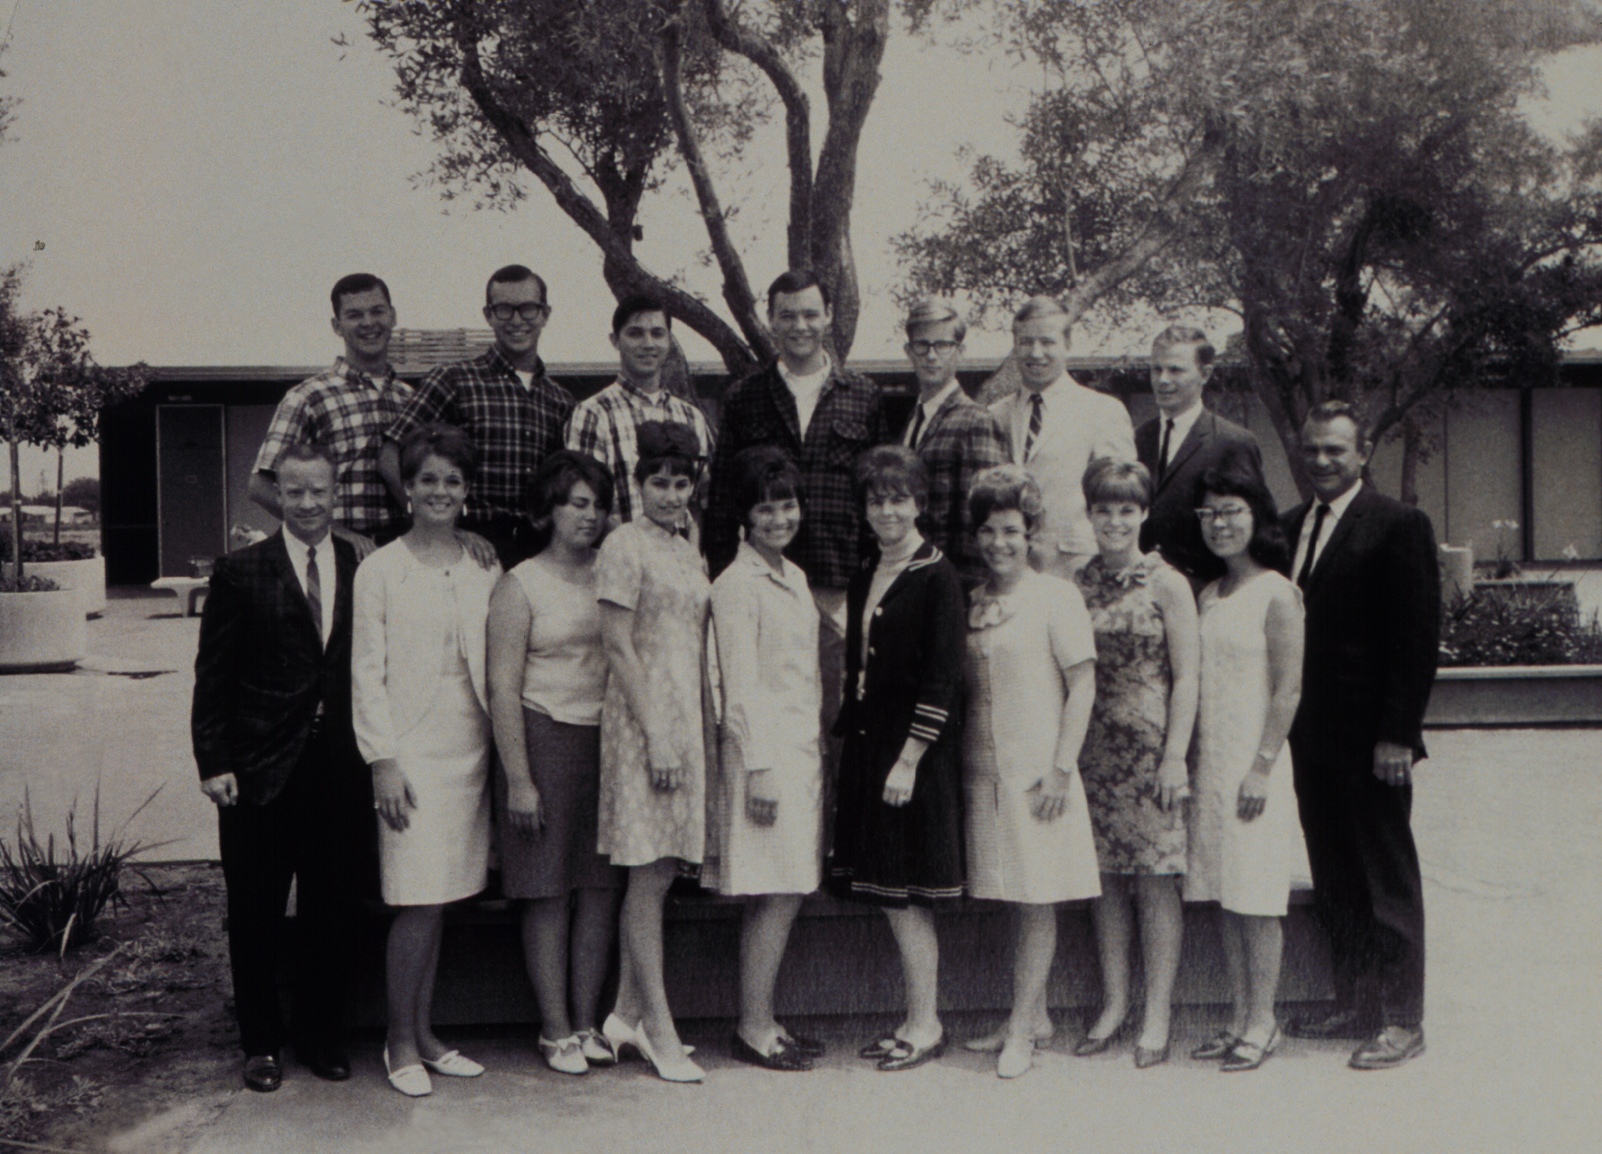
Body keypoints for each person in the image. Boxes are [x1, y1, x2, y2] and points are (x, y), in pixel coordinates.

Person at [191, 441, 372, 1093]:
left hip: (340, 768)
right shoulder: (240, 571)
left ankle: (320, 1037)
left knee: (334, 909)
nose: (307, 503)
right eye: (294, 491)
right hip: (259, 769)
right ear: (278, 494)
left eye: (319, 490)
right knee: (256, 912)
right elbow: (213, 676)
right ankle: (261, 1043)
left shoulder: (361, 566)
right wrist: (214, 761)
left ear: (335, 491)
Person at [1282, 401, 1439, 1070]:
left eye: (1335, 451)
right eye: (1312, 449)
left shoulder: (1398, 525)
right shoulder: (1290, 525)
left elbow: (1416, 638)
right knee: (1336, 876)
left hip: (1374, 744)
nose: (1322, 460)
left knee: (1385, 879)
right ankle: (1356, 1002)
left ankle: (1402, 1018)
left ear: (1363, 453)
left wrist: (1397, 735)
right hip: (1311, 739)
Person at [352, 425, 500, 1097]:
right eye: (429, 480)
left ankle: (426, 1034)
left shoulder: (483, 564)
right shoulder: (379, 569)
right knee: (416, 898)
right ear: (407, 487)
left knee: (440, 899)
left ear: (467, 491)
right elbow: (366, 673)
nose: (441, 491)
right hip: (409, 754)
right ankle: (399, 1041)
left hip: (469, 749)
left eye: (453, 481)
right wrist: (382, 759)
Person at [486, 450, 626, 1076]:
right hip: (542, 740)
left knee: (598, 889)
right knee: (545, 890)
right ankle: (554, 1029)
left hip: (607, 743)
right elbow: (501, 688)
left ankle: (587, 1020)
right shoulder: (520, 584)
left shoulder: (614, 573)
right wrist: (519, 779)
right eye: (576, 503)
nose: (588, 516)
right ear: (549, 510)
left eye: (597, 505)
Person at [703, 270, 891, 736]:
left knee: (841, 713)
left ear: (828, 316)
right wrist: (725, 578)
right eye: (787, 316)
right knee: (773, 708)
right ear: (770, 320)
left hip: (837, 580)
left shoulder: (863, 396)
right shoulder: (744, 397)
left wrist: (873, 581)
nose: (800, 326)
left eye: (810, 314)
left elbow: (880, 496)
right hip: (765, 583)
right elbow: (723, 497)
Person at [959, 464, 1101, 1079]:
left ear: (1031, 533)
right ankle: (1032, 1013)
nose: (1000, 543)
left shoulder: (1056, 596)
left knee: (1038, 899)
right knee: (1011, 896)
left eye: (1012, 530)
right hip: (983, 775)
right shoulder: (973, 601)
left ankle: (1022, 1028)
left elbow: (1083, 685)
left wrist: (1061, 770)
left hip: (1039, 774)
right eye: (989, 531)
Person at [829, 445, 966, 1072]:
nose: (887, 511)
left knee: (907, 895)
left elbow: (942, 678)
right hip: (870, 748)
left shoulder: (938, 576)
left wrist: (909, 759)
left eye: (898, 499)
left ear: (920, 504)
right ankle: (914, 1018)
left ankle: (926, 1023)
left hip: (912, 757)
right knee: (889, 892)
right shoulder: (867, 572)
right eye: (876, 500)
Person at [594, 421, 715, 1084]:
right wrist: (658, 735)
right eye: (659, 483)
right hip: (644, 726)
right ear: (638, 484)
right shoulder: (623, 543)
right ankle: (660, 1030)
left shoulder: (687, 547)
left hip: (685, 722)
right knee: (648, 873)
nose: (671, 494)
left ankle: (623, 1014)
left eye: (681, 482)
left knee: (662, 870)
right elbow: (617, 646)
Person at [1072, 459, 1200, 1068]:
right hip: (1093, 753)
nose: (1115, 521)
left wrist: (1175, 755)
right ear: (1089, 514)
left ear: (1144, 513)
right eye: (1104, 510)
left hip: (1152, 755)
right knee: (1104, 882)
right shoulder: (1079, 582)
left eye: (1127, 509)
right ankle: (1116, 1003)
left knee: (1153, 881)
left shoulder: (1168, 583)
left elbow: (1188, 675)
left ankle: (1157, 1014)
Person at [706, 446, 827, 1072]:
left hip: (799, 755)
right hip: (765, 759)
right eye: (765, 509)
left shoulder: (794, 576)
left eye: (787, 505)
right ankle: (753, 1026)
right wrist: (758, 767)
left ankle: (764, 1018)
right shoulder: (736, 585)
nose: (780, 518)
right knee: (775, 891)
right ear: (744, 517)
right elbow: (738, 684)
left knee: (783, 889)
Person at [1183, 465, 1303, 1073]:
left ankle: (1264, 1022)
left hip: (1256, 768)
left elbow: (1287, 690)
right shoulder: (1209, 594)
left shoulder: (1278, 593)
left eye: (1231, 511)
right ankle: (1237, 1018)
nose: (1219, 524)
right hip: (1213, 765)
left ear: (1257, 517)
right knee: (1226, 896)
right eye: (1208, 513)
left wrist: (1261, 767)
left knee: (1256, 898)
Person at [381, 264, 575, 568]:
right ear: (488, 315)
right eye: (504, 310)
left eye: (528, 309)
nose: (516, 320)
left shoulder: (561, 400)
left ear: (545, 314)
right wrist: (444, 527)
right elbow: (390, 456)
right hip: (470, 546)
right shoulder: (454, 380)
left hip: (539, 549)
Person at [249, 273, 413, 554]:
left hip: (403, 549)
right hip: (338, 551)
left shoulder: (409, 398)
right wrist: (335, 532)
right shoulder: (308, 396)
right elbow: (260, 485)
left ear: (393, 316)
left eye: (377, 311)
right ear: (337, 326)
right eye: (354, 315)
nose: (368, 322)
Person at [990, 295, 1135, 578]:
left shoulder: (1102, 410)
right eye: (1026, 342)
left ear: (1067, 344)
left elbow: (1122, 500)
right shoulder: (995, 414)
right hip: (1010, 570)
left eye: (1047, 342)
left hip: (1078, 569)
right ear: (1015, 345)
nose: (1036, 353)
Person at [565, 293, 715, 527]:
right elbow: (586, 503)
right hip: (621, 548)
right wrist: (636, 545)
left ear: (669, 340)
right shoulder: (593, 414)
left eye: (657, 333)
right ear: (615, 340)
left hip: (680, 548)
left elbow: (699, 502)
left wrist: (690, 547)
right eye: (635, 333)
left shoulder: (691, 417)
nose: (648, 344)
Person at [1135, 326, 1265, 590]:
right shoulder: (1137, 439)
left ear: (1205, 374)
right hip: (1141, 595)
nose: (1162, 380)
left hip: (1205, 594)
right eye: (1156, 369)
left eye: (1175, 370)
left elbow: (1253, 532)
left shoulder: (1233, 443)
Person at [896, 297, 1010, 588]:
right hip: (911, 580)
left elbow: (984, 517)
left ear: (960, 352)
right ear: (909, 351)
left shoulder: (976, 420)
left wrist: (964, 595)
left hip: (952, 586)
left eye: (943, 345)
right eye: (922, 345)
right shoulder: (912, 420)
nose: (931, 355)